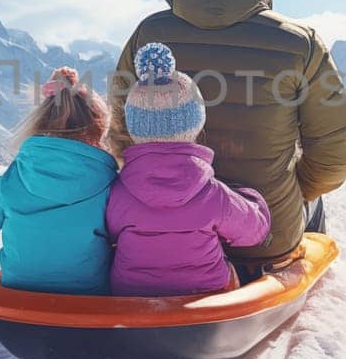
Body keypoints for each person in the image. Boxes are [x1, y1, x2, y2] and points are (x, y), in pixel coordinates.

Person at [108, 0, 346, 281]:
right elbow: (338, 151)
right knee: (315, 202)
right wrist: (292, 189)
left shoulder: (150, 33)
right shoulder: (301, 43)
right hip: (264, 239)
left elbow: (121, 129)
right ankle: (298, 299)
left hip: (164, 234)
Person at [105, 42, 272, 296]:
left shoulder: (118, 192)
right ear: (195, 122)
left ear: (135, 126)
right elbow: (254, 231)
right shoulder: (212, 192)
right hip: (205, 294)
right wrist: (251, 197)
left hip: (131, 296)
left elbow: (106, 233)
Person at [0, 67, 118, 294]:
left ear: (39, 122)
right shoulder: (107, 180)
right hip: (88, 300)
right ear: (97, 128)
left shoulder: (17, 174)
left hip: (20, 300)